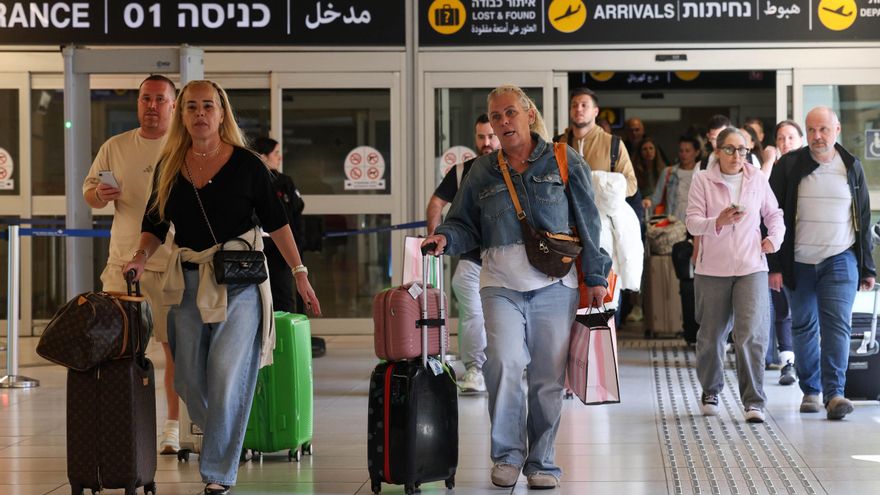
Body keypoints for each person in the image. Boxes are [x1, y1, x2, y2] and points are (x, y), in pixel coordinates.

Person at [123, 80, 322, 494]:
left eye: (207, 106)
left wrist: (299, 271)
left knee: (227, 373)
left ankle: (218, 473)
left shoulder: (249, 165)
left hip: (241, 282)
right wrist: (141, 257)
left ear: (221, 112)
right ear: (183, 115)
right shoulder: (169, 166)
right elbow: (154, 225)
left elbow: (277, 223)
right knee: (189, 381)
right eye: (191, 106)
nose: (199, 113)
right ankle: (225, 431)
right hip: (189, 282)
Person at [422, 85, 609, 489]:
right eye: (495, 117)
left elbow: (589, 221)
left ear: (528, 114)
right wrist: (445, 239)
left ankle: (542, 461)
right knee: (503, 364)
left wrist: (594, 276)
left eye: (509, 113)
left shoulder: (563, 159)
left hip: (555, 285)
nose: (503, 122)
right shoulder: (481, 171)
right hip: (499, 284)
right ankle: (507, 455)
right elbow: (462, 222)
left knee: (547, 378)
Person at [82, 74, 182, 455]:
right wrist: (99, 193)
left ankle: (172, 427)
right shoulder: (116, 146)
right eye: (145, 99)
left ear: (172, 105)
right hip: (122, 263)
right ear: (137, 103)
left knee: (173, 349)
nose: (151, 106)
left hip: (171, 262)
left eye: (160, 99)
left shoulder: (182, 148)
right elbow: (90, 194)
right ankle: (118, 423)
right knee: (115, 349)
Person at [768, 106, 875, 421]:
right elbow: (770, 216)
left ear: (837, 129)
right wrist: (774, 265)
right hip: (798, 261)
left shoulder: (851, 167)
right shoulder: (789, 166)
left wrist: (867, 267)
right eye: (811, 130)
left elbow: (864, 219)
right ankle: (811, 391)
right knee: (803, 326)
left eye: (823, 130)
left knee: (837, 326)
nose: (817, 136)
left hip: (840, 258)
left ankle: (834, 394)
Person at [686, 128, 785, 423]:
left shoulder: (756, 178)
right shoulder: (703, 180)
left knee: (751, 335)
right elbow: (692, 223)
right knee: (711, 336)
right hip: (711, 270)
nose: (736, 156)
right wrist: (718, 221)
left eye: (742, 150)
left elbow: (774, 214)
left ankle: (754, 401)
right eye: (729, 150)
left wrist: (774, 240)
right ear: (717, 150)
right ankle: (711, 390)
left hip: (751, 266)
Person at [426, 113, 500, 393]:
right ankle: (475, 369)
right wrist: (435, 235)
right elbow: (436, 203)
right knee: (473, 313)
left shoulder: (515, 167)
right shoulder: (462, 171)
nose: (486, 142)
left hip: (507, 259)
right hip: (472, 258)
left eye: (491, 136)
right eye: (481, 137)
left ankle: (511, 364)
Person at [761, 120, 805, 385]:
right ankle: (788, 361)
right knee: (782, 310)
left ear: (800, 140)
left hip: (809, 253)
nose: (786, 143)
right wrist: (774, 265)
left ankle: (804, 360)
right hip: (780, 253)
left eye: (790, 137)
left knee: (806, 313)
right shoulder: (773, 173)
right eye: (780, 138)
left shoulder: (811, 170)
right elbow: (765, 220)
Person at [648, 135, 702, 221]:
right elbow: (656, 198)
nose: (684, 154)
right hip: (672, 223)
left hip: (695, 222)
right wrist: (647, 202)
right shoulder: (669, 172)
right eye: (681, 151)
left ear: (697, 152)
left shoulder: (703, 174)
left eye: (687, 151)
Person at [633, 136, 668, 200]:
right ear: (640, 152)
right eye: (645, 149)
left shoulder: (664, 170)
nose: (648, 152)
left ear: (655, 151)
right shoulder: (634, 171)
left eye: (651, 148)